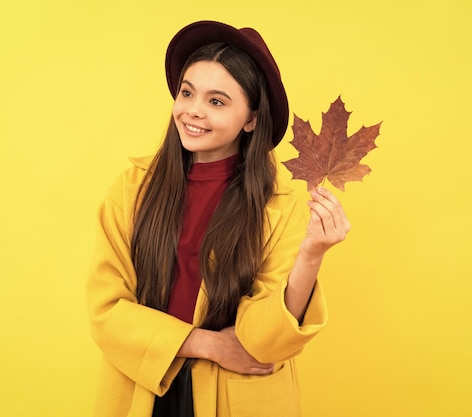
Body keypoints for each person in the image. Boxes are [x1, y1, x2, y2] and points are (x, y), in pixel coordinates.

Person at [86, 20, 350, 417]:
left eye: (217, 101)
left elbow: (264, 344)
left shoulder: (280, 209)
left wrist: (311, 255)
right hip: (142, 387)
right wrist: (204, 343)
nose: (193, 111)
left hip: (241, 398)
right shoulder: (131, 190)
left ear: (252, 119)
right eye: (187, 93)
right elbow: (107, 311)